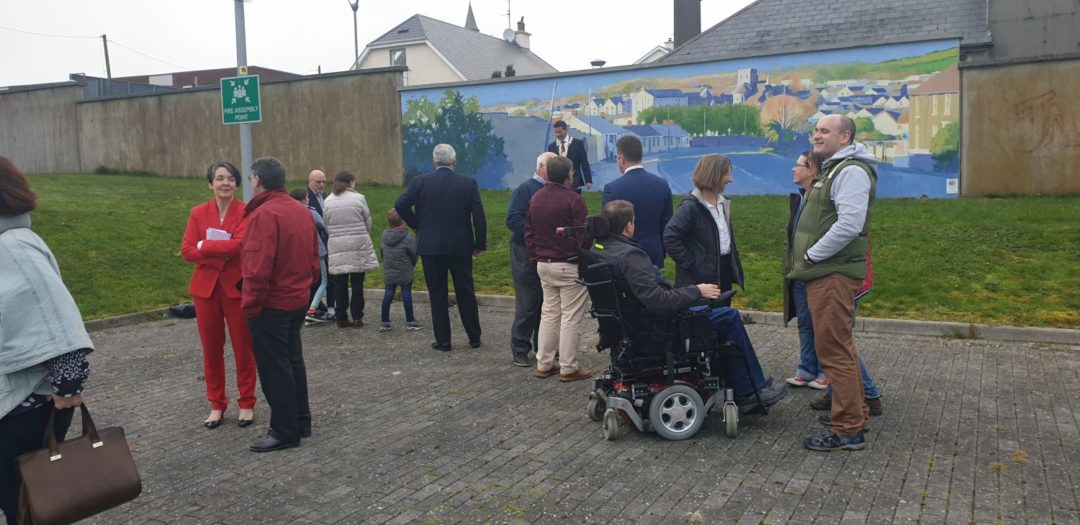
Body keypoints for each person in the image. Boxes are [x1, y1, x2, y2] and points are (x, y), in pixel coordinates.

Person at [592, 200, 786, 413]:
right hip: (657, 328)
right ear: (629, 225)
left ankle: (745, 380)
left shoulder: (600, 249)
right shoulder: (630, 256)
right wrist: (696, 291)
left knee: (712, 308)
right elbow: (658, 301)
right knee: (729, 316)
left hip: (629, 326)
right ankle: (750, 390)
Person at [0, 156, 93, 525]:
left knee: (27, 507)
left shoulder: (15, 246)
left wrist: (68, 385)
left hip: (25, 407)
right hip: (12, 402)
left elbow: (55, 314)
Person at [787, 115, 877, 452]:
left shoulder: (850, 171)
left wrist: (812, 255)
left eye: (825, 131)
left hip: (832, 274)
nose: (817, 135)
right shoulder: (834, 169)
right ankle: (856, 415)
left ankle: (847, 430)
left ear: (845, 136)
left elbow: (850, 223)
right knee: (841, 349)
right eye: (816, 130)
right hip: (826, 272)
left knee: (834, 352)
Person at [241, 156, 320, 453]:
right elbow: (314, 260)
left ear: (257, 180)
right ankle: (301, 421)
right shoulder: (301, 211)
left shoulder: (264, 215)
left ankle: (285, 430)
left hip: (272, 303)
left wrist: (251, 305)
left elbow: (257, 267)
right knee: (292, 360)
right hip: (297, 298)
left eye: (251, 179)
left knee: (276, 367)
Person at [180, 161, 257, 429]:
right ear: (210, 183)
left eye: (230, 179)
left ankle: (246, 402)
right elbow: (188, 250)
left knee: (243, 347)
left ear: (237, 184)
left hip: (235, 288)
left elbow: (240, 245)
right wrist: (218, 250)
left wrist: (205, 246)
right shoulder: (198, 213)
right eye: (220, 178)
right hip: (205, 290)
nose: (225, 183)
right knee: (211, 349)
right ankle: (216, 403)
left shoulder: (246, 211)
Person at [394, 144, 487, 352]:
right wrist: (479, 243)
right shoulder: (468, 183)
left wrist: (418, 224)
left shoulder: (420, 182)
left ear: (434, 162)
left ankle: (444, 340)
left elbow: (400, 205)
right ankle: (474, 336)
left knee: (437, 294)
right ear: (455, 162)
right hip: (460, 246)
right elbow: (479, 216)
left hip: (430, 246)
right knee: (466, 291)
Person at [525, 156, 593, 382]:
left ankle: (544, 363)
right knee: (570, 317)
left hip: (543, 264)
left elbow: (529, 232)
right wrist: (579, 253)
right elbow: (583, 234)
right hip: (568, 264)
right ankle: (568, 367)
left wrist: (536, 256)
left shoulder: (536, 197)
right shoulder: (573, 199)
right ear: (568, 175)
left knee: (549, 313)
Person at [662, 154, 744, 308]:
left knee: (723, 315)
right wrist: (692, 264)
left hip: (723, 272)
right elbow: (670, 237)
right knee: (705, 319)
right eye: (727, 174)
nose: (730, 179)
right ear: (714, 175)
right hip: (699, 280)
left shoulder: (723, 203)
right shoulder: (690, 207)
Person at [504, 152, 553, 367]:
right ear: (541, 167)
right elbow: (512, 219)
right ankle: (520, 347)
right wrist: (536, 232)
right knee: (527, 302)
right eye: (552, 166)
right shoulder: (526, 189)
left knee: (546, 302)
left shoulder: (554, 190)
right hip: (524, 251)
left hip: (545, 252)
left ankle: (543, 346)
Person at [601, 135, 673, 268]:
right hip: (653, 253)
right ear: (640, 156)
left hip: (622, 257)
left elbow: (606, 227)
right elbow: (667, 223)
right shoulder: (662, 185)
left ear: (621, 158)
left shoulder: (613, 188)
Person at [323, 171, 379, 329]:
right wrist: (364, 233)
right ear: (351, 182)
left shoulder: (328, 200)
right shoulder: (359, 198)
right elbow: (367, 220)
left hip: (337, 245)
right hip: (358, 244)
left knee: (340, 283)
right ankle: (357, 317)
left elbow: (326, 223)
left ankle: (341, 317)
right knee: (357, 282)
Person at [289, 189, 330, 326]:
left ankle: (301, 309)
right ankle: (311, 311)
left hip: (297, 253)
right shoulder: (310, 212)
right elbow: (323, 226)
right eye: (307, 198)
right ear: (303, 199)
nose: (308, 200)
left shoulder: (288, 213)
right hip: (317, 251)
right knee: (324, 280)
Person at [379, 208, 421, 332]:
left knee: (388, 294)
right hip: (405, 271)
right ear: (402, 221)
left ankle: (384, 322)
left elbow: (382, 253)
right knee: (406, 294)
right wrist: (412, 264)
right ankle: (410, 321)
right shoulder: (407, 237)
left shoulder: (384, 236)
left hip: (389, 270)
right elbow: (414, 254)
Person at [306, 169, 334, 319]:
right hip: (315, 243)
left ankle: (319, 306)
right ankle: (313, 307)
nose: (322, 184)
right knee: (321, 278)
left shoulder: (324, 195)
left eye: (324, 181)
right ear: (310, 181)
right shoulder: (306, 198)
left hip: (325, 241)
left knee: (325, 276)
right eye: (318, 182)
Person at [547, 120, 592, 191]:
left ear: (566, 130)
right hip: (558, 182)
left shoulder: (578, 143)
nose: (558, 134)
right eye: (556, 132)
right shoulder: (551, 146)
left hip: (574, 180)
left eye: (560, 132)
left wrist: (588, 180)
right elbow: (550, 165)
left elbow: (584, 162)